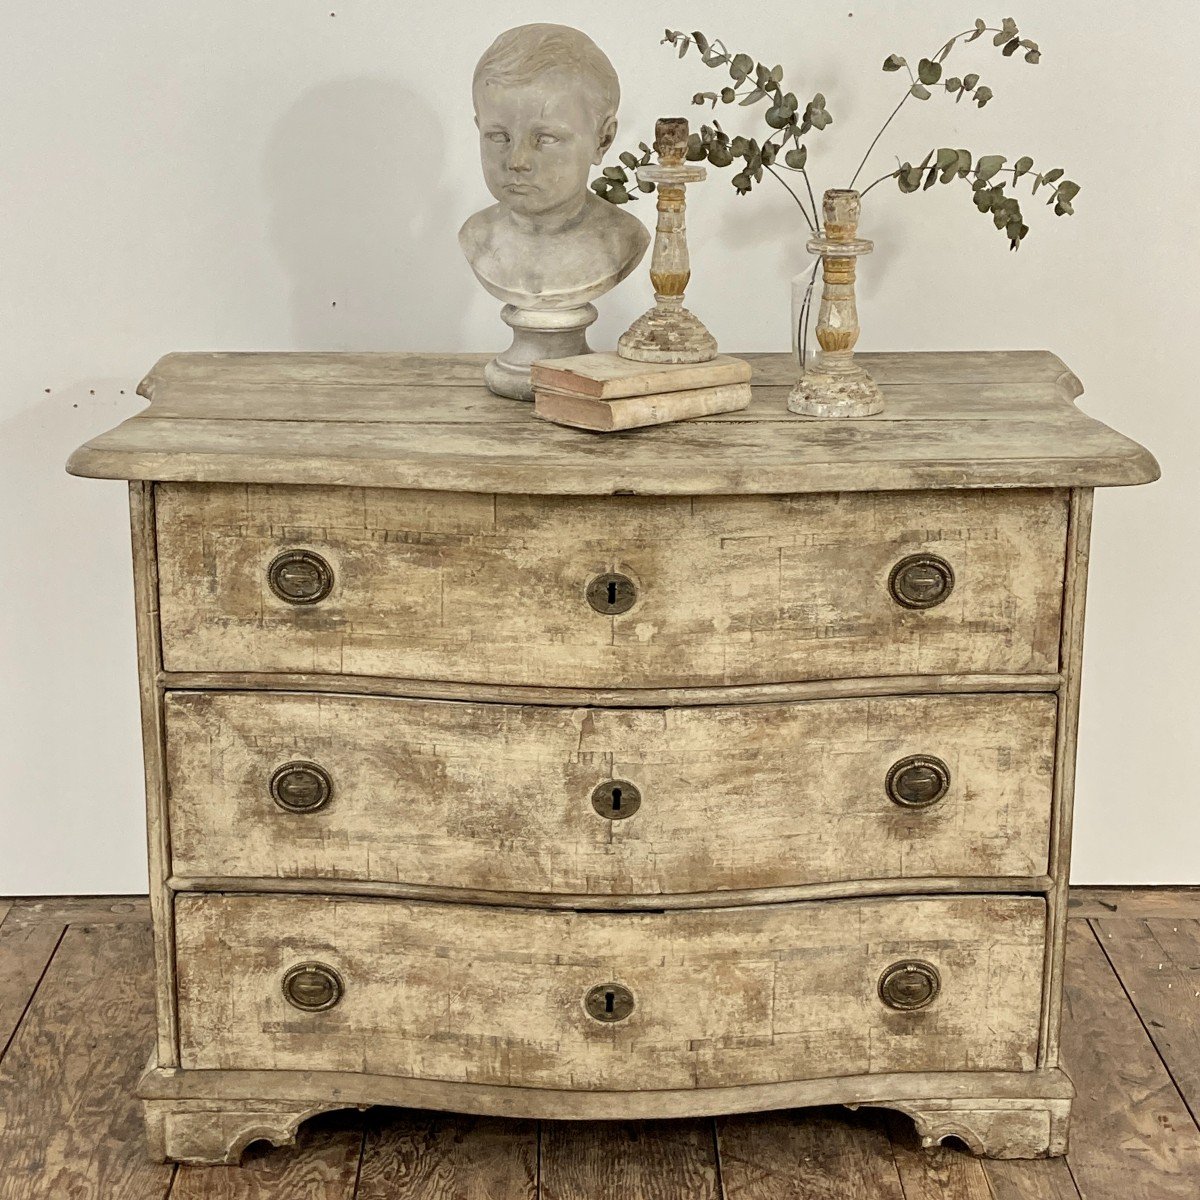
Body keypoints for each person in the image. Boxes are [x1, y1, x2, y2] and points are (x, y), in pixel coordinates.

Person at [459, 23, 650, 312]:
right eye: (499, 137)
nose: (516, 161)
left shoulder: (621, 240)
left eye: (546, 139)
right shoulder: (477, 236)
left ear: (603, 139)